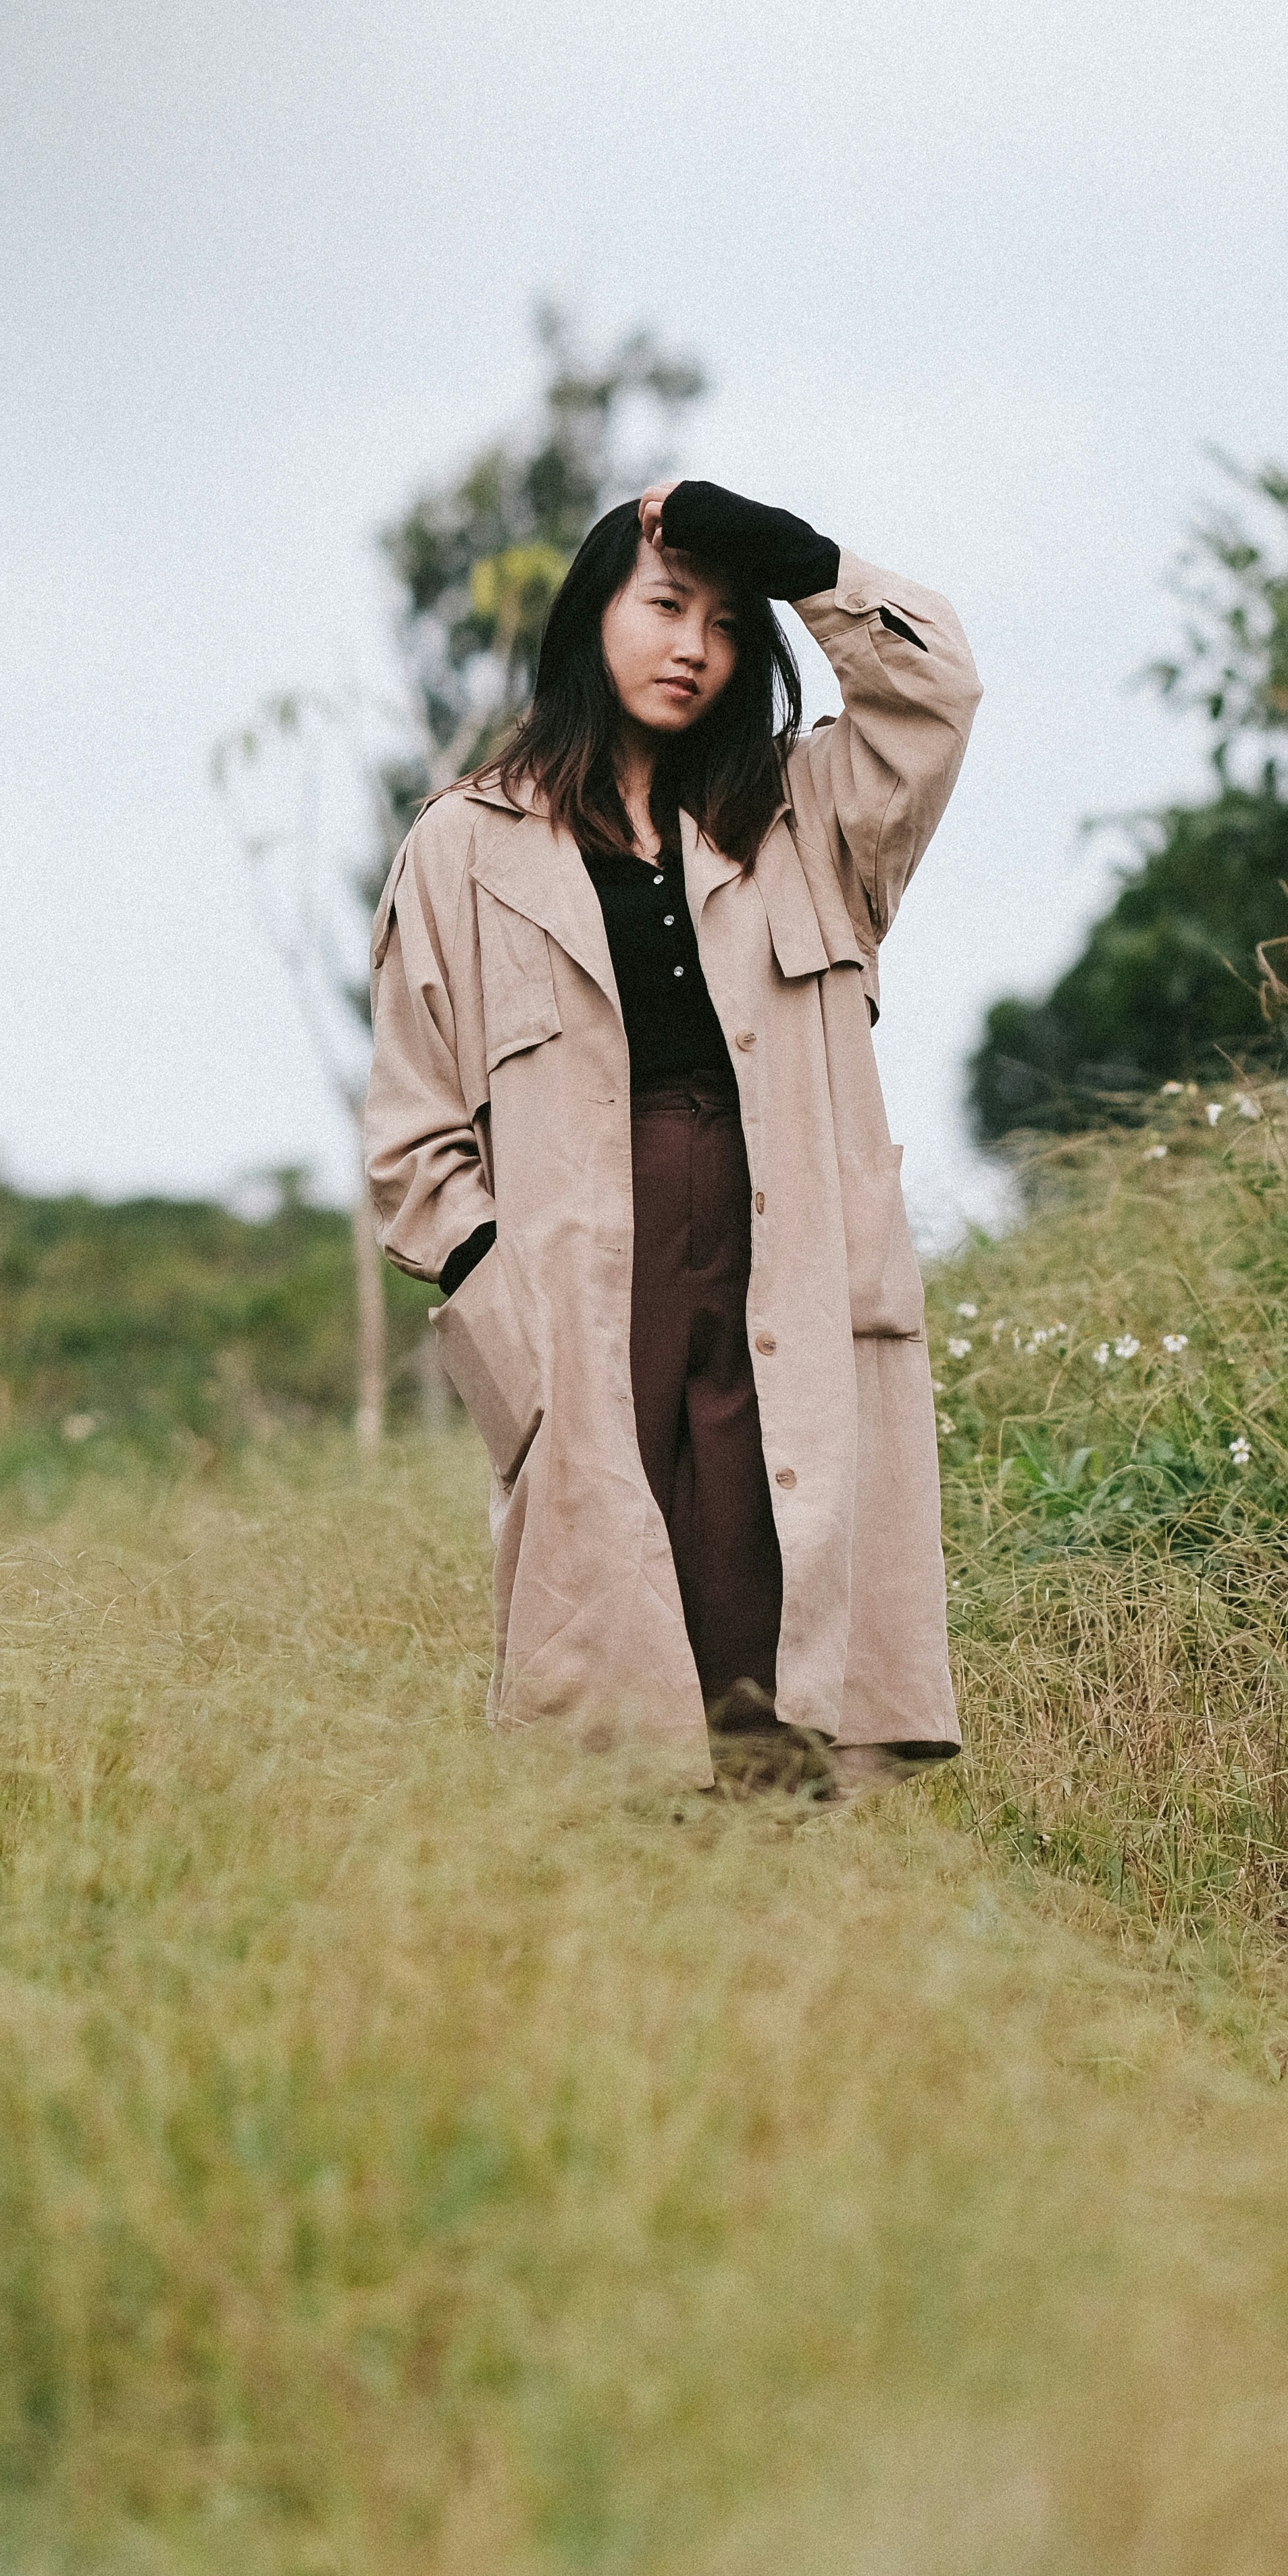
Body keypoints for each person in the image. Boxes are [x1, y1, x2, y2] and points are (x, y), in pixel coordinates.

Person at [365, 474, 979, 1789]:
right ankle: (630, 1887)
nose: (693, 645)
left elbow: (934, 696)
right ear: (592, 615)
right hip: (583, 1273)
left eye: (726, 623)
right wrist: (493, 1285)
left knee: (773, 1572)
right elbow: (411, 1134)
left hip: (787, 1252)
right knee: (608, 1624)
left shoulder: (809, 817)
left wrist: (797, 558)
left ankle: (780, 1865)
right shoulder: (463, 846)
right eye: (663, 606)